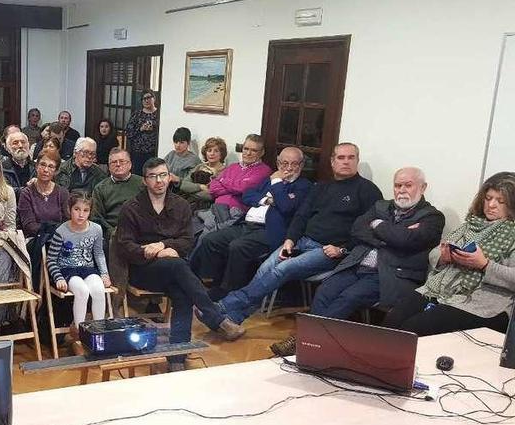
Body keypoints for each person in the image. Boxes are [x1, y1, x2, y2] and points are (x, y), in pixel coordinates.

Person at [214, 142, 384, 340]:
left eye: (350, 157)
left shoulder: (368, 191)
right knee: (265, 268)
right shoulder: (321, 187)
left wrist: (343, 249)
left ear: (357, 160)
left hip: (330, 251)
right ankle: (233, 319)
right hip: (303, 241)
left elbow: (367, 231)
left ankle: (226, 304)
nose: (345, 162)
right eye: (340, 157)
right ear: (332, 161)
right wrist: (290, 240)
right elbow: (301, 216)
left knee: (282, 269)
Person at [270, 167, 445, 356]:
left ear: (423, 187)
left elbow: (407, 240)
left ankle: (305, 342)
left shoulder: (432, 217)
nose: (401, 190)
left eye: (408, 185)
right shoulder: (381, 206)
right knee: (324, 290)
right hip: (357, 264)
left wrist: (378, 225)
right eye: (397, 185)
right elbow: (357, 229)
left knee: (350, 297)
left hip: (389, 273)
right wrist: (392, 236)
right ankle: (315, 344)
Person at [116, 158, 227, 371]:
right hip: (143, 270)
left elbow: (187, 240)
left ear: (169, 177)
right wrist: (151, 252)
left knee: (182, 290)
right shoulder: (131, 208)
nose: (159, 181)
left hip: (174, 270)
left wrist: (164, 245)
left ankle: (177, 358)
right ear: (145, 181)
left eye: (163, 175)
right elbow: (124, 246)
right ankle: (213, 315)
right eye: (153, 176)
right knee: (178, 267)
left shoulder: (181, 205)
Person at [383, 171, 515, 336]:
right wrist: (443, 257)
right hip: (440, 289)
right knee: (391, 322)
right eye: (488, 199)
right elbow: (435, 253)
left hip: (482, 302)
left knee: (412, 329)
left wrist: (485, 265)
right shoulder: (470, 224)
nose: (491, 205)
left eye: (500, 201)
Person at [190, 147, 313, 297]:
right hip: (246, 225)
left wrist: (277, 183)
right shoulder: (268, 180)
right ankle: (206, 282)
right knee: (212, 239)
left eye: (294, 164)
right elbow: (247, 195)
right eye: (284, 163)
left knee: (238, 247)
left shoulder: (303, 186)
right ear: (278, 163)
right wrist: (267, 199)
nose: (288, 168)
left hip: (269, 230)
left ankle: (229, 291)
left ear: (301, 165)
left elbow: (286, 206)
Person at [46, 192, 111, 336]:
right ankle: (79, 331)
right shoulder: (61, 231)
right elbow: (51, 259)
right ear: (69, 209)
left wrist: (104, 274)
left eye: (85, 210)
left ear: (90, 212)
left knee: (99, 290)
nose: (81, 214)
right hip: (67, 270)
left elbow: (99, 253)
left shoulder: (96, 229)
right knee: (82, 291)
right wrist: (58, 278)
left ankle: (99, 331)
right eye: (77, 209)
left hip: (88, 268)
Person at [91, 148, 143, 243]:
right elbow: (96, 217)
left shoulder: (143, 184)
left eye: (122, 161)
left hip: (140, 232)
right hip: (112, 235)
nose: (118, 164)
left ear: (130, 164)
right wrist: (112, 233)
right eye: (114, 162)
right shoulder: (100, 188)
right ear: (109, 167)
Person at [209, 134, 272, 212]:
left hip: (237, 213)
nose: (248, 153)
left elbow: (243, 188)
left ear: (262, 153)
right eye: (246, 149)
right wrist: (234, 189)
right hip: (216, 208)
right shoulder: (233, 166)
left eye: (254, 150)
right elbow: (213, 188)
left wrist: (222, 181)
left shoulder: (264, 170)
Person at [18, 149, 69, 238]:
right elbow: (29, 226)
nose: (46, 170)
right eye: (42, 165)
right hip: (35, 241)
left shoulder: (63, 193)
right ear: (36, 166)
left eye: (51, 166)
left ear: (56, 171)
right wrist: (51, 230)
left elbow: (67, 222)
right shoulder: (26, 193)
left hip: (60, 239)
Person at [178, 137, 227, 211]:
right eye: (209, 150)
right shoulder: (200, 166)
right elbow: (183, 185)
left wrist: (215, 175)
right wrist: (200, 187)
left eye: (216, 151)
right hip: (189, 201)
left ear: (221, 154)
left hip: (206, 207)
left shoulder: (225, 171)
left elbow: (211, 195)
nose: (212, 154)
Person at [125, 89, 159, 174]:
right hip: (137, 153)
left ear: (154, 98)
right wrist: (140, 129)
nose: (146, 100)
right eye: (144, 99)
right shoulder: (137, 114)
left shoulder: (159, 114)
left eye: (148, 97)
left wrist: (153, 129)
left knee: (151, 175)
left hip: (153, 153)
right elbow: (129, 133)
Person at [1, 131, 36, 196]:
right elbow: (5, 191)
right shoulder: (2, 168)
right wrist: (27, 189)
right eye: (15, 143)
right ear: (8, 148)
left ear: (28, 145)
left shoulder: (36, 167)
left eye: (23, 142)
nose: (20, 146)